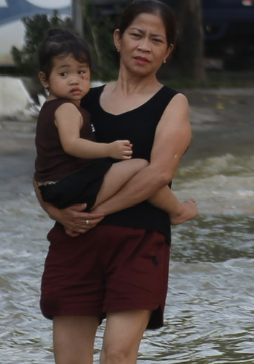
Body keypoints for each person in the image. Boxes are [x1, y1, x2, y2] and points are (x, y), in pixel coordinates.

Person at [35, 0, 195, 364]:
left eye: (156, 40)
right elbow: (46, 167)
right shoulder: (79, 96)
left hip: (139, 241)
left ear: (168, 52)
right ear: (117, 39)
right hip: (75, 241)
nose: (144, 46)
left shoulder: (173, 104)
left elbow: (156, 174)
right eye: (136, 35)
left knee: (118, 360)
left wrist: (98, 210)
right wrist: (54, 211)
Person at [34, 28, 198, 224]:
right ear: (44, 79)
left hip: (55, 188)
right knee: (141, 166)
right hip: (70, 187)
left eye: (81, 72)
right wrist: (109, 149)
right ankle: (178, 210)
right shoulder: (66, 109)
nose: (74, 80)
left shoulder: (50, 108)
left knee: (125, 169)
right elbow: (72, 144)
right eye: (64, 73)